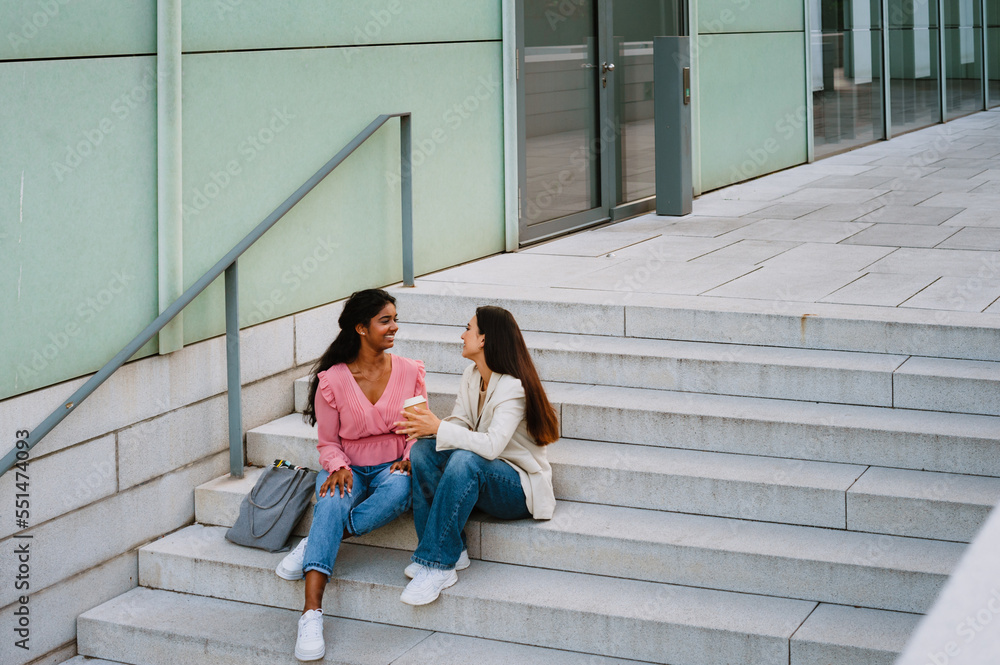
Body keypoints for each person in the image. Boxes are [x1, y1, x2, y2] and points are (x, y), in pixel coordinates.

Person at [274, 289, 425, 661]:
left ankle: (316, 543)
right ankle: (311, 614)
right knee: (331, 499)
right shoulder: (333, 381)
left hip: (394, 466)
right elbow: (327, 443)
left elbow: (418, 427)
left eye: (394, 318)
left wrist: (408, 455)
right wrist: (339, 467)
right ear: (361, 328)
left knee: (396, 492)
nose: (394, 327)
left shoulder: (410, 371)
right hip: (349, 467)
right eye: (384, 320)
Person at [394, 305, 559, 605]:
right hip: (485, 473)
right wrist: (430, 426)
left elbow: (492, 446)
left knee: (465, 459)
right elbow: (460, 423)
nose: (462, 335)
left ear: (483, 339)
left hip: (517, 488)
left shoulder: (513, 387)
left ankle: (437, 564)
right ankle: (453, 551)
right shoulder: (472, 375)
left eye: (468, 329)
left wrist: (440, 427)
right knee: (422, 452)